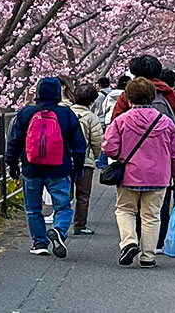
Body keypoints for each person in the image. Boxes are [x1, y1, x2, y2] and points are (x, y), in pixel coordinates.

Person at [102, 78, 175, 268]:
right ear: (152, 97)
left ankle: (129, 242)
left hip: (129, 174)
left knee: (125, 210)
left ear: (129, 98)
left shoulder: (121, 120)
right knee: (151, 215)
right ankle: (148, 255)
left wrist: (121, 153)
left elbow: (109, 148)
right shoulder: (165, 121)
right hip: (159, 176)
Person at [5, 77, 87, 257]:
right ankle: (58, 230)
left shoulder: (25, 113)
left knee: (33, 208)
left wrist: (11, 164)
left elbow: (14, 141)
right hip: (60, 168)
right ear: (58, 92)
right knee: (63, 207)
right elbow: (79, 144)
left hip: (31, 168)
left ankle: (39, 243)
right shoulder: (66, 114)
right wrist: (78, 167)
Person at [68, 81, 107, 236]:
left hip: (65, 159)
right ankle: (79, 225)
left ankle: (61, 222)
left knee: (65, 193)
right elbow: (97, 141)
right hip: (85, 161)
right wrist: (97, 157)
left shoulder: (66, 112)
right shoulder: (91, 117)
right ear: (92, 101)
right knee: (83, 195)